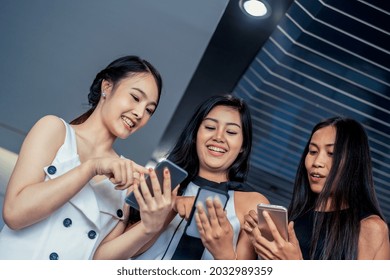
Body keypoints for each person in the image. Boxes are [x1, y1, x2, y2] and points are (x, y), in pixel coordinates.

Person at [0, 55, 173, 260]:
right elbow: (14, 213)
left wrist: (149, 227)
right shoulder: (54, 130)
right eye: (135, 98)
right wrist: (91, 168)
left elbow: (98, 262)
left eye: (149, 110)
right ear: (107, 87)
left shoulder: (127, 177)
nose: (139, 113)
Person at [127, 94, 270, 260]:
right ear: (195, 135)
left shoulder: (253, 204)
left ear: (243, 146)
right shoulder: (164, 181)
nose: (219, 137)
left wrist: (224, 253)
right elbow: (120, 252)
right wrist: (170, 207)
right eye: (210, 127)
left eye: (231, 132)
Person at [244, 117, 390, 260]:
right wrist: (263, 251)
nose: (317, 162)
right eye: (313, 151)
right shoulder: (293, 218)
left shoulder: (370, 228)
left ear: (354, 161)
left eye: (331, 153)